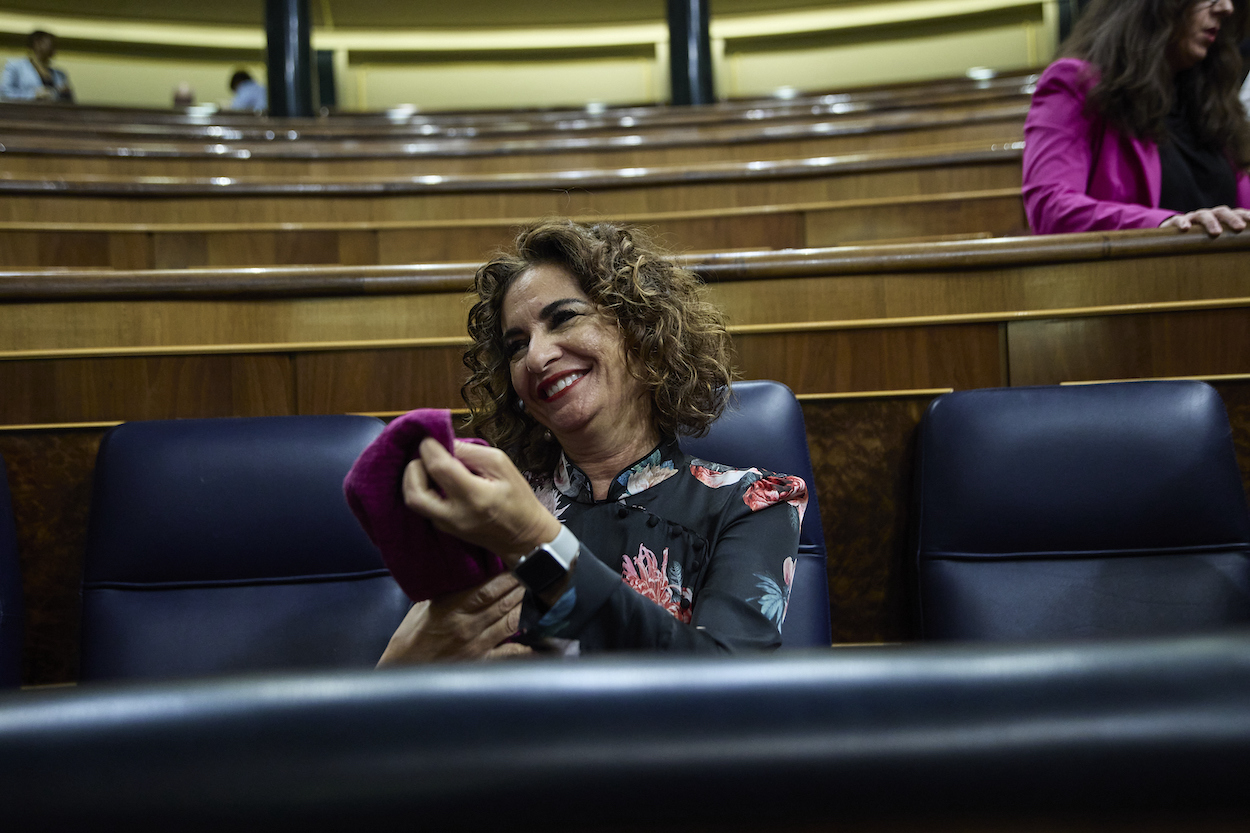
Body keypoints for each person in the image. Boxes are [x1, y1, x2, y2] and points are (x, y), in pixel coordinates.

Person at [377, 220, 807, 663]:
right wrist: (397, 668)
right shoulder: (484, 505)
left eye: (563, 318)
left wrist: (534, 538)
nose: (537, 358)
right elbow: (427, 676)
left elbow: (730, 690)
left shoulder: (753, 504)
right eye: (516, 346)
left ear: (643, 332)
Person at [1022, 0, 1250, 236]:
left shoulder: (1212, 100)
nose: (1226, 7)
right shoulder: (1075, 83)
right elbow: (1049, 207)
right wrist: (1164, 224)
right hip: (1134, 271)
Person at [1, 30, 73, 103]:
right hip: (24, 112)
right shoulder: (15, 67)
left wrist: (64, 94)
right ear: (37, 43)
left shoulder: (60, 74)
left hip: (52, 113)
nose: (54, 48)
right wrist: (33, 95)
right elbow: (4, 93)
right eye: (51, 44)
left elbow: (70, 101)